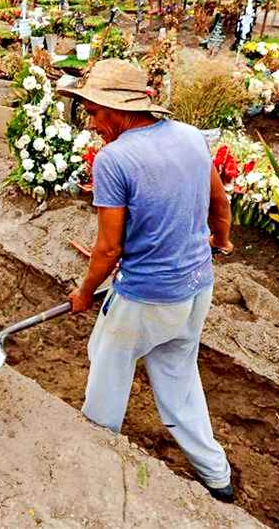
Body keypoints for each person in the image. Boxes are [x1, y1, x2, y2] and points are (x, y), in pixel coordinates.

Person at [60, 60, 235, 503]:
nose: (92, 124)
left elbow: (108, 250)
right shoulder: (191, 137)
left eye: (93, 112)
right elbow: (219, 203)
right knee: (179, 379)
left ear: (117, 108)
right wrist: (220, 242)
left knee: (107, 368)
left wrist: (84, 293)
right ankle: (217, 476)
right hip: (197, 287)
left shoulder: (114, 159)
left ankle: (95, 459)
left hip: (146, 296)